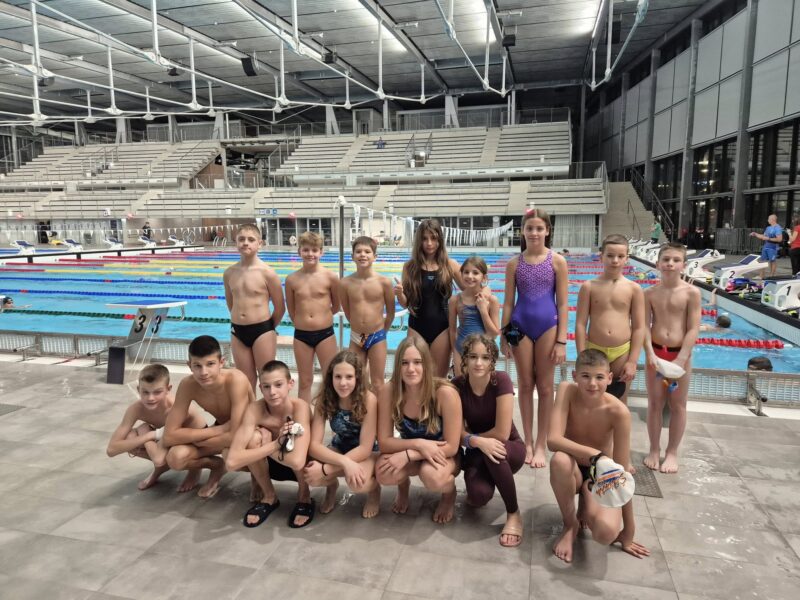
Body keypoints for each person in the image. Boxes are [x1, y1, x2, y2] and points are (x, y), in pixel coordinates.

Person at [548, 349, 649, 563]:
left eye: (599, 377)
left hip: (600, 475)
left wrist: (629, 530)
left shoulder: (618, 412)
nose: (592, 383)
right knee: (559, 460)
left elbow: (621, 473)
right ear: (575, 376)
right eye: (585, 376)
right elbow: (553, 440)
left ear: (610, 378)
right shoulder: (566, 390)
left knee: (605, 533)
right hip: (572, 467)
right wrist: (595, 454)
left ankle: (587, 502)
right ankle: (570, 525)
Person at [500, 208, 569, 468]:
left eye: (539, 228)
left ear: (547, 231)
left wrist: (561, 341)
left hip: (548, 327)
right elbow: (508, 303)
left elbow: (563, 304)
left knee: (546, 387)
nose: (534, 233)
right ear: (523, 231)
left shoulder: (557, 262)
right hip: (520, 327)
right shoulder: (514, 264)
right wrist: (503, 336)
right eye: (530, 228)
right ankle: (527, 441)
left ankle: (541, 443)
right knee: (526, 384)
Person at [376, 336, 462, 524]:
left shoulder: (445, 393)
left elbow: (452, 447)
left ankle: (449, 494)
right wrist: (419, 444)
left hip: (443, 455)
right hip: (414, 451)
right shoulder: (389, 391)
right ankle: (403, 486)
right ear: (397, 366)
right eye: (404, 363)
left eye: (417, 362)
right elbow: (384, 442)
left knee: (432, 477)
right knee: (384, 472)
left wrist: (409, 454)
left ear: (427, 364)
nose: (411, 369)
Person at [452, 334, 525, 547]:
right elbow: (454, 432)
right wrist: (476, 442)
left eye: (485, 357)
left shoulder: (501, 380)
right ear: (465, 358)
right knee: (478, 496)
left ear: (493, 360)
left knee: (495, 449)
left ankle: (514, 513)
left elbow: (502, 433)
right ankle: (491, 477)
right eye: (473, 356)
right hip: (477, 448)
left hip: (510, 448)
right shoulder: (457, 386)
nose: (478, 363)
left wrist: (472, 440)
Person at [226, 360, 315, 528]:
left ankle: (304, 496)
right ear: (260, 388)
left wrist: (271, 445)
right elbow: (231, 462)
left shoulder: (300, 407)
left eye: (278, 385)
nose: (272, 392)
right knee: (253, 439)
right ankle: (269, 496)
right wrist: (273, 445)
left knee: (297, 442)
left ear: (290, 384)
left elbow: (297, 461)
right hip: (269, 464)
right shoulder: (255, 409)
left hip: (300, 467)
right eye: (266, 387)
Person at [163, 335, 254, 498]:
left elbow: (236, 434)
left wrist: (198, 440)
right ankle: (217, 466)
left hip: (249, 432)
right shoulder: (188, 385)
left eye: (210, 364)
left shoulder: (236, 380)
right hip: (221, 431)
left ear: (222, 362)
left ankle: (258, 480)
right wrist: (218, 430)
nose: (203, 372)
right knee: (175, 458)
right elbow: (168, 436)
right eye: (197, 366)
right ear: (189, 365)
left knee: (234, 457)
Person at [643, 243, 701, 474]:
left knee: (678, 405)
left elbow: (693, 328)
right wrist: (648, 352)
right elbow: (644, 326)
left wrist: (682, 358)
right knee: (655, 404)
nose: (670, 264)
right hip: (656, 354)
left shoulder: (691, 293)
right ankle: (654, 449)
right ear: (657, 263)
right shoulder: (649, 293)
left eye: (676, 260)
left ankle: (672, 452)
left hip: (680, 355)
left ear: (683, 265)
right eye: (666, 259)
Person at [304, 350, 382, 519]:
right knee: (312, 475)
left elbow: (365, 448)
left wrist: (326, 469)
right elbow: (314, 445)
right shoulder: (325, 398)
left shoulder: (369, 399)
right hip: (340, 446)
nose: (343, 383)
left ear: (358, 378)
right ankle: (332, 486)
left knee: (357, 484)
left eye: (349, 377)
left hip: (368, 452)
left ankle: (374, 490)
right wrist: (345, 462)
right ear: (330, 378)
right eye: (338, 377)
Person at [106, 364, 206, 491]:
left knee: (173, 457)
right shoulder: (136, 409)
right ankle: (162, 468)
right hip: (168, 438)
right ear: (138, 389)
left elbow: (158, 458)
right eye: (145, 392)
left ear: (168, 389)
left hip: (197, 444)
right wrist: (149, 435)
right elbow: (112, 449)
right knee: (129, 438)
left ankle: (197, 468)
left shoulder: (177, 408)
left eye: (157, 392)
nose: (150, 398)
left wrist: (145, 433)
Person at [575, 234, 645, 404]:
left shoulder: (634, 289)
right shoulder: (589, 287)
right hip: (594, 349)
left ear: (627, 258)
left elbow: (639, 327)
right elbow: (580, 324)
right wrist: (582, 355)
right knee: (591, 400)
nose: (615, 260)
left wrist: (632, 361)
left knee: (619, 400)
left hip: (622, 351)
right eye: (610, 255)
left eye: (620, 256)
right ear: (601, 257)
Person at [394, 219, 464, 378]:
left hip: (442, 329)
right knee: (415, 377)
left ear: (440, 240)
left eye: (433, 238)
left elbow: (469, 289)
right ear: (419, 241)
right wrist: (399, 294)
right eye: (425, 239)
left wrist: (485, 290)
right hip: (416, 327)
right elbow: (406, 304)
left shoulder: (450, 265)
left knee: (438, 379)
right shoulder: (410, 267)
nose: (429, 243)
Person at [223, 223, 285, 389]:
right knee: (245, 380)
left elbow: (280, 308)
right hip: (238, 331)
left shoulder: (268, 273)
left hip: (262, 330)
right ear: (236, 241)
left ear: (260, 243)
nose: (245, 243)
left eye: (251, 240)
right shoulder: (229, 273)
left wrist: (268, 328)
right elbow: (231, 303)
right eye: (241, 239)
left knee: (267, 379)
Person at [285, 231, 340, 401]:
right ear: (299, 251)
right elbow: (291, 310)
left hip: (325, 334)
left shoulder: (331, 277)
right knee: (305, 381)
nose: (310, 254)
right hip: (302, 336)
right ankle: (303, 415)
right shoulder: (291, 279)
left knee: (329, 379)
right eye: (306, 250)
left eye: (315, 250)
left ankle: (330, 414)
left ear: (321, 252)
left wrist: (321, 318)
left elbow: (336, 306)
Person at [340, 236, 395, 396]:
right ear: (352, 256)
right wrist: (359, 327)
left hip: (377, 336)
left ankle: (379, 411)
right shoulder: (345, 283)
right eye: (358, 251)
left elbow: (390, 313)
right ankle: (361, 411)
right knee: (356, 381)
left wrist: (382, 332)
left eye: (367, 251)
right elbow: (348, 312)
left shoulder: (384, 282)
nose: (362, 255)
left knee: (378, 382)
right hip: (356, 337)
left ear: (374, 256)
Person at [448, 255, 500, 377]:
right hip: (460, 349)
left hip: (484, 351)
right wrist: (455, 351)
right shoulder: (455, 300)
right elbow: (452, 330)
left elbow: (494, 334)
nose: (470, 276)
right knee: (462, 384)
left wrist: (483, 310)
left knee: (483, 386)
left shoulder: (492, 300)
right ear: (461, 274)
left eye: (475, 273)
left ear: (484, 277)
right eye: (466, 272)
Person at [750, 214, 784, 278]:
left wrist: (769, 238)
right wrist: (755, 234)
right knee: (762, 260)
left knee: (772, 261)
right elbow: (763, 236)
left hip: (773, 247)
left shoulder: (777, 228)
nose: (767, 220)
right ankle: (761, 276)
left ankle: (772, 276)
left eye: (768, 219)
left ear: (772, 220)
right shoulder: (768, 228)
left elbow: (779, 239)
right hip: (766, 246)